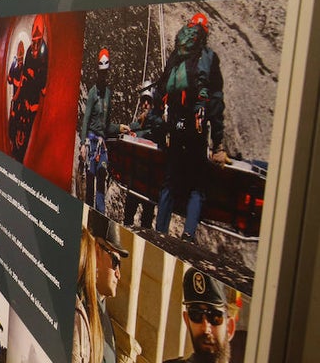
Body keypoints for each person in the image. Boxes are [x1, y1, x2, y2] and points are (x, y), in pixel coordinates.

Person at [155, 13, 227, 244]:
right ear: (204, 34)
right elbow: (215, 103)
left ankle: (160, 230)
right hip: (196, 128)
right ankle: (188, 235)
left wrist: (160, 125)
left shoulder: (176, 56)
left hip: (174, 126)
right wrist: (218, 143)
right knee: (198, 184)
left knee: (170, 180)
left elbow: (160, 90)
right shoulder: (209, 58)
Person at [70, 211, 128, 363]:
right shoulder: (80, 312)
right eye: (115, 261)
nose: (118, 273)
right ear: (96, 250)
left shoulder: (101, 309)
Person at [81, 49, 130, 213]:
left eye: (105, 73)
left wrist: (121, 128)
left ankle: (100, 214)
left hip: (101, 144)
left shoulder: (108, 93)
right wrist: (82, 144)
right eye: (101, 73)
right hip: (91, 142)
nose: (103, 76)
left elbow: (107, 125)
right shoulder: (93, 93)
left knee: (101, 177)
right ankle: (87, 214)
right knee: (90, 180)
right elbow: (86, 120)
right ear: (98, 72)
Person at [124, 85, 164, 228]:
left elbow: (157, 130)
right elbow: (131, 129)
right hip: (136, 179)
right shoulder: (137, 125)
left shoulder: (158, 125)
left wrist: (142, 126)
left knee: (146, 221)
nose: (145, 104)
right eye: (143, 101)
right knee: (128, 216)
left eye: (149, 101)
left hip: (150, 182)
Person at [10, 15, 49, 163]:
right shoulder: (28, 51)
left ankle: (22, 153)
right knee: (17, 114)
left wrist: (34, 78)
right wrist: (19, 93)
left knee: (28, 124)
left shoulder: (43, 52)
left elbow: (42, 78)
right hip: (26, 91)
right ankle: (15, 144)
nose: (34, 44)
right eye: (33, 41)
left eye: (36, 41)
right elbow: (25, 72)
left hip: (33, 96)